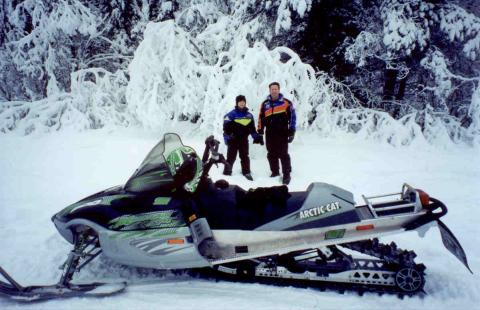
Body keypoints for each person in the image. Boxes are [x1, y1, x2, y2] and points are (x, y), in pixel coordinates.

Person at [257, 82, 296, 185]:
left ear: (279, 90)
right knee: (271, 154)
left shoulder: (286, 103)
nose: (274, 91)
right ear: (269, 90)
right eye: (272, 89)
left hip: (282, 132)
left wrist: (292, 131)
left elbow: (293, 117)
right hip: (269, 133)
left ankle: (286, 174)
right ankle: (275, 172)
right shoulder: (265, 104)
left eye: (276, 89)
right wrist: (260, 132)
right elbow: (260, 118)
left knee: (283, 154)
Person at [223, 95, 264, 181]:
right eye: (240, 101)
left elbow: (252, 129)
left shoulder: (249, 115)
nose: (242, 103)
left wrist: (257, 137)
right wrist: (227, 139)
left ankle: (246, 172)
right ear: (237, 103)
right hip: (233, 140)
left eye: (243, 101)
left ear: (245, 103)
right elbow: (225, 129)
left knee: (245, 156)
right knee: (231, 157)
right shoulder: (231, 114)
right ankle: (227, 172)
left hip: (243, 140)